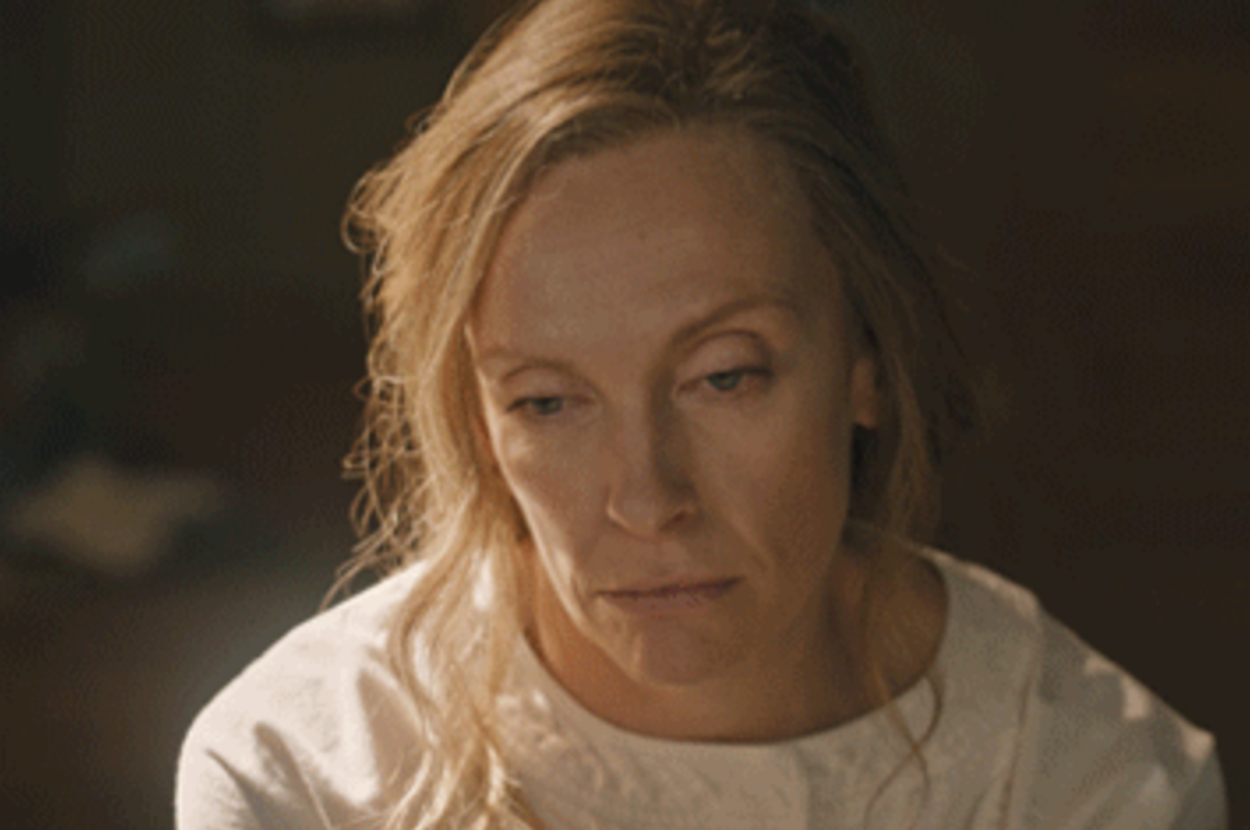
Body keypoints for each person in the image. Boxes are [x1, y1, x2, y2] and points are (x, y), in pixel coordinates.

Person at [175, 1, 1228, 828]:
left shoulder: (1088, 780)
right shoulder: (300, 776)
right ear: (478, 422)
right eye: (548, 401)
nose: (646, 498)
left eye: (725, 377)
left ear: (866, 360)